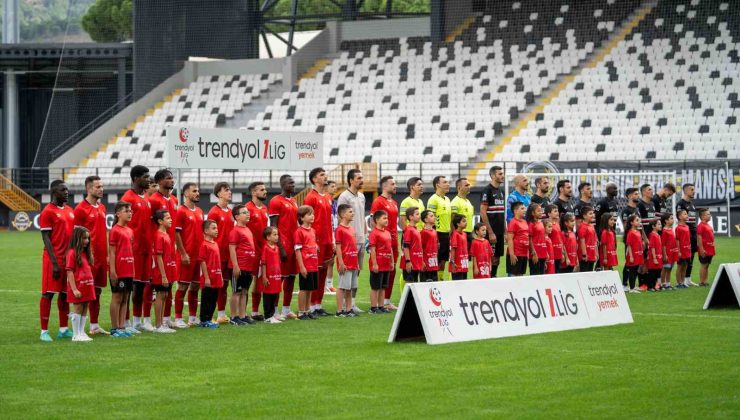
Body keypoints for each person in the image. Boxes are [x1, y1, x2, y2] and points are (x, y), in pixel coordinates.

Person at [39, 180, 75, 342]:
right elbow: (45, 238)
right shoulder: (48, 212)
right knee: (48, 294)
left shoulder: (69, 210)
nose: (67, 192)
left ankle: (63, 329)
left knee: (64, 294)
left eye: (67, 189)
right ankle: (44, 331)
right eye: (63, 190)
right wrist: (54, 263)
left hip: (67, 259)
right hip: (52, 259)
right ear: (54, 192)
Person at [73, 175, 108, 336]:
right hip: (88, 258)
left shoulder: (101, 207)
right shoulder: (80, 209)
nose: (101, 189)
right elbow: (76, 236)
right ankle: (78, 329)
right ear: (88, 189)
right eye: (98, 187)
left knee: (97, 292)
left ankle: (94, 325)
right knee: (85, 292)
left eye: (102, 186)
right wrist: (81, 258)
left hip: (102, 257)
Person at [121, 165, 152, 332]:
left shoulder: (146, 197)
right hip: (132, 250)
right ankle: (125, 322)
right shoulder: (128, 198)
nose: (148, 179)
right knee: (128, 287)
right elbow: (118, 224)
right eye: (145, 177)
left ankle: (136, 321)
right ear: (135, 179)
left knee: (140, 286)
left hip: (146, 249)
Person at [147, 169, 179, 328]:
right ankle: (147, 320)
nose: (172, 180)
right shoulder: (153, 200)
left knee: (169, 285)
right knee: (157, 287)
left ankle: (166, 319)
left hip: (170, 247)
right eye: (168, 178)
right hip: (159, 247)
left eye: (172, 178)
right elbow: (149, 224)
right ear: (159, 182)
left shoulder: (174, 199)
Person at [303, 168, 333, 317]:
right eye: (322, 175)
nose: (325, 176)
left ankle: (318, 305)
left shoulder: (328, 196)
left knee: (323, 273)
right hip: (316, 241)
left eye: (325, 174)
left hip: (328, 240)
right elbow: (306, 221)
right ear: (314, 179)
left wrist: (332, 239)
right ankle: (310, 306)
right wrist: (312, 240)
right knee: (314, 273)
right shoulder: (310, 197)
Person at [269, 175, 300, 319]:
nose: (293, 185)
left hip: (294, 245)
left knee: (291, 277)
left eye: (293, 182)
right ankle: (274, 310)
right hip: (283, 244)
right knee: (279, 278)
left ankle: (286, 309)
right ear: (283, 184)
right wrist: (279, 246)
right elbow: (273, 225)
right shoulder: (276, 201)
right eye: (290, 183)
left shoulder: (294, 201)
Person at [336, 168, 366, 314]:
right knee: (346, 273)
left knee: (357, 273)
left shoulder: (361, 196)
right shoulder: (344, 197)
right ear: (351, 180)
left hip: (361, 239)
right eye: (359, 178)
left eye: (362, 177)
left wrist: (365, 234)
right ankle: (342, 305)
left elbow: (362, 218)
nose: (362, 180)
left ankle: (352, 303)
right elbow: (339, 218)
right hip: (348, 241)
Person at [174, 182, 204, 328]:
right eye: (194, 191)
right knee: (182, 287)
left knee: (195, 287)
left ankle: (193, 317)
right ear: (186, 193)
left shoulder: (199, 211)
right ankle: (178, 318)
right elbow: (176, 234)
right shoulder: (181, 211)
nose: (197, 193)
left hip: (199, 256)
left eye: (198, 191)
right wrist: (183, 253)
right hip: (186, 256)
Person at [370, 176, 399, 309]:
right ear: (385, 186)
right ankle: (379, 304)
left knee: (391, 270)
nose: (395, 186)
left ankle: (386, 301)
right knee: (380, 271)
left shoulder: (393, 202)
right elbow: (372, 221)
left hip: (393, 240)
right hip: (383, 241)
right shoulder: (378, 202)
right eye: (392, 184)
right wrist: (376, 237)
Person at [207, 182, 234, 324]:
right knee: (214, 285)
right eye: (226, 190)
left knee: (224, 285)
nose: (230, 192)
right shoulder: (213, 212)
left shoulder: (230, 212)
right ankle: (208, 314)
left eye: (230, 190)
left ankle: (221, 314)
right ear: (219, 193)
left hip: (228, 254)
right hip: (216, 255)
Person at [108, 201, 134, 337]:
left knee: (125, 298)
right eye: (126, 211)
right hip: (118, 270)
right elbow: (111, 252)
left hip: (129, 269)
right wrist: (112, 271)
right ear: (118, 214)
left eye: (130, 211)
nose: (130, 213)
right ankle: (114, 328)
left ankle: (122, 326)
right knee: (117, 297)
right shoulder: (115, 231)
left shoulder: (130, 231)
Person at [65, 227, 96, 342]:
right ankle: (76, 334)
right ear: (77, 238)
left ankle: (82, 332)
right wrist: (74, 289)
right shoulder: (72, 253)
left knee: (84, 308)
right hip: (78, 287)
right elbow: (69, 271)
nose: (87, 241)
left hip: (87, 285)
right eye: (84, 238)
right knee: (78, 308)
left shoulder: (85, 253)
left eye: (88, 238)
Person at [228, 204, 257, 326]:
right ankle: (234, 317)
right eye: (244, 212)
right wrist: (235, 266)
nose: (247, 214)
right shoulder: (235, 231)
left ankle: (243, 315)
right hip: (239, 267)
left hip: (248, 267)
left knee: (245, 291)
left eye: (247, 212)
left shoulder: (247, 229)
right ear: (237, 217)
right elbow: (232, 248)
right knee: (237, 292)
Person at [246, 181, 269, 320]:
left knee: (259, 281)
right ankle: (242, 313)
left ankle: (255, 312)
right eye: (261, 189)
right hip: (250, 251)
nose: (265, 191)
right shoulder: (247, 208)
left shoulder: (265, 208)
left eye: (265, 189)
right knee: (248, 282)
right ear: (254, 192)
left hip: (262, 250)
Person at [151, 209, 177, 333]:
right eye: (167, 218)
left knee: (165, 295)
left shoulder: (166, 234)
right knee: (160, 296)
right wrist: (163, 275)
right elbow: (159, 257)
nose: (170, 219)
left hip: (168, 271)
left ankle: (161, 323)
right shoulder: (158, 236)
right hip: (161, 273)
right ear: (160, 221)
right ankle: (158, 325)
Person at [294, 205, 319, 320]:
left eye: (313, 214)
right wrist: (302, 267)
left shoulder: (313, 230)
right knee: (304, 289)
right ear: (302, 218)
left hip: (314, 265)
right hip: (306, 265)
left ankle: (307, 310)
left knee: (310, 289)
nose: (312, 216)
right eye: (309, 214)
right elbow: (298, 250)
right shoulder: (299, 232)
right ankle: (301, 312)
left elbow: (311, 243)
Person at [480, 166, 506, 277]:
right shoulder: (487, 190)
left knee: (497, 258)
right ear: (492, 176)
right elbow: (482, 212)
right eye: (499, 174)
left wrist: (504, 230)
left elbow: (502, 211)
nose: (502, 176)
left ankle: (493, 277)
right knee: (490, 258)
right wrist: (490, 232)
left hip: (499, 231)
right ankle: (487, 279)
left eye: (502, 173)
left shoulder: (501, 191)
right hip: (492, 231)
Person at [334, 204, 359, 317]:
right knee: (342, 287)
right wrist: (341, 262)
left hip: (353, 262)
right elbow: (338, 247)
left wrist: (357, 262)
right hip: (345, 263)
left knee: (349, 287)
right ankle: (339, 311)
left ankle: (348, 310)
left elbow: (353, 246)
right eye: (350, 212)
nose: (352, 213)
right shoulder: (339, 229)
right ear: (343, 214)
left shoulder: (352, 228)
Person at [198, 220, 222, 329]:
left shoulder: (215, 243)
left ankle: (209, 318)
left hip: (216, 277)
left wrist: (220, 274)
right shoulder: (204, 245)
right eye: (213, 228)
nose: (216, 230)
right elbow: (202, 261)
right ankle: (203, 320)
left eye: (216, 228)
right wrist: (206, 277)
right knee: (206, 299)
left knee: (213, 299)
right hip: (209, 278)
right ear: (206, 231)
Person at [427, 175, 452, 279]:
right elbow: (430, 219)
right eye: (445, 182)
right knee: (436, 260)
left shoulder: (447, 199)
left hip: (446, 234)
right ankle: (434, 281)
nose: (448, 184)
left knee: (443, 260)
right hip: (438, 233)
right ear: (438, 185)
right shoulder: (433, 199)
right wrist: (434, 236)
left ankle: (440, 280)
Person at [368, 210, 393, 313]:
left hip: (386, 264)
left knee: (383, 287)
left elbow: (390, 248)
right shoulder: (374, 233)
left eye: (387, 218)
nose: (386, 220)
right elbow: (372, 249)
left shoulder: (387, 233)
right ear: (377, 220)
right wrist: (374, 263)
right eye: (384, 218)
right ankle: (374, 308)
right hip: (378, 264)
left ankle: (381, 306)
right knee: (375, 287)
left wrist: (392, 261)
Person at [261, 226, 284, 324]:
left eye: (277, 234)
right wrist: (264, 276)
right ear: (268, 237)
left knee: (275, 295)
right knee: (268, 296)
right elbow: (263, 263)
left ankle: (273, 314)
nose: (277, 236)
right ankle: (268, 316)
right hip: (269, 277)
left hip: (276, 276)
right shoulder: (265, 248)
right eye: (274, 234)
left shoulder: (277, 248)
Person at [677, 184, 699, 286]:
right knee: (683, 260)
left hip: (693, 234)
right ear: (685, 191)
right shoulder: (681, 203)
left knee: (691, 257)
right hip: (685, 234)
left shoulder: (692, 204)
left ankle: (688, 278)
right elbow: (680, 219)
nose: (694, 191)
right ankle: (681, 281)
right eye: (692, 190)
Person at [401, 207, 423, 284]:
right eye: (417, 214)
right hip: (410, 263)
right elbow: (406, 247)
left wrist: (421, 261)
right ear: (410, 217)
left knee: (415, 285)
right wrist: (408, 261)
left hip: (416, 263)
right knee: (409, 285)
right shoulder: (408, 230)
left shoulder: (415, 229)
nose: (419, 216)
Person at [507, 201, 529, 277]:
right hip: (516, 254)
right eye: (522, 208)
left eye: (524, 208)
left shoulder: (525, 221)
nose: (525, 210)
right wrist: (512, 254)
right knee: (513, 276)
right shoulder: (513, 222)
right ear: (515, 211)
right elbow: (509, 239)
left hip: (524, 253)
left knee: (521, 276)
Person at [451, 177, 475, 247]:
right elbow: (452, 220)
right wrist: (455, 235)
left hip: (469, 233)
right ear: (459, 188)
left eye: (469, 185)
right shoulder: (455, 202)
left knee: (469, 257)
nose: (469, 187)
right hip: (461, 234)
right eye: (466, 185)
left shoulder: (468, 202)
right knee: (461, 257)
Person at [625, 214, 645, 293]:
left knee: (636, 270)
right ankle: (631, 288)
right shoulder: (630, 233)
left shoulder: (638, 231)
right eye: (637, 220)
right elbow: (629, 245)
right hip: (633, 255)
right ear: (631, 223)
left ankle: (633, 286)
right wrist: (631, 256)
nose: (639, 221)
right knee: (632, 270)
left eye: (639, 220)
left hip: (638, 254)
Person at [526, 203, 547, 275]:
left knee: (542, 276)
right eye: (538, 211)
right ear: (532, 213)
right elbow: (529, 239)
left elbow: (542, 238)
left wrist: (546, 252)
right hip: (536, 255)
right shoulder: (531, 224)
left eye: (541, 210)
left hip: (543, 254)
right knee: (535, 276)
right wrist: (533, 253)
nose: (541, 212)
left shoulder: (540, 223)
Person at [326, 180, 338, 293]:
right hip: (326, 235)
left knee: (331, 261)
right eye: (332, 186)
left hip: (333, 234)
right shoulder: (325, 201)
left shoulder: (334, 202)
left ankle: (329, 284)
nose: (335, 188)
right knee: (324, 261)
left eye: (335, 186)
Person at [696, 208, 715, 287]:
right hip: (704, 250)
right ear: (702, 216)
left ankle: (705, 281)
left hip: (710, 249)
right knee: (704, 265)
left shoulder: (707, 225)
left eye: (709, 214)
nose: (710, 215)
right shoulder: (700, 226)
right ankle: (702, 282)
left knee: (707, 265)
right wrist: (701, 249)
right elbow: (699, 238)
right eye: (708, 214)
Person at [660, 213, 678, 290]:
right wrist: (664, 254)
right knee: (665, 268)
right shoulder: (664, 231)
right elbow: (663, 244)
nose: (673, 220)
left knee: (670, 268)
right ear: (666, 221)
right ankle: (662, 283)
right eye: (671, 218)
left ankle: (668, 283)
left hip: (673, 252)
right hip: (667, 253)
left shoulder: (670, 229)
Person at [577, 207, 598, 272]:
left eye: (593, 213)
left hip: (592, 254)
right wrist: (584, 254)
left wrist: (596, 253)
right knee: (584, 273)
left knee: (590, 273)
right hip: (585, 256)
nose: (593, 215)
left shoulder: (591, 226)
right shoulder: (582, 226)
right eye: (590, 214)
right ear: (584, 216)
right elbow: (582, 242)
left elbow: (594, 241)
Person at [420, 210, 439, 282]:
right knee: (425, 287)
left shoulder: (434, 231)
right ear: (425, 219)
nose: (434, 217)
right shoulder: (423, 232)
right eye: (431, 216)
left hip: (434, 264)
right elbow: (420, 248)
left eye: (434, 216)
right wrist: (422, 261)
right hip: (426, 265)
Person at [449, 214, 469, 280]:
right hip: (457, 265)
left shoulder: (465, 234)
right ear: (458, 224)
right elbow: (453, 249)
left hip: (464, 264)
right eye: (463, 221)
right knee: (457, 285)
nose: (466, 223)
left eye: (466, 221)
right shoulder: (455, 234)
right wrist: (453, 262)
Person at [675, 209, 691, 289]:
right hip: (681, 250)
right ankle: (678, 283)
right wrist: (679, 251)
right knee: (680, 266)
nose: (687, 215)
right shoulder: (678, 228)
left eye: (687, 214)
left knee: (685, 266)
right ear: (680, 217)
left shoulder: (687, 226)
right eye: (685, 214)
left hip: (687, 250)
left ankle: (683, 281)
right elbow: (677, 240)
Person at [545, 205, 564, 273]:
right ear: (549, 214)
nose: (557, 213)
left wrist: (562, 252)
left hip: (558, 252)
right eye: (555, 211)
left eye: (557, 211)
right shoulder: (547, 225)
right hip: (551, 253)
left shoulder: (557, 224)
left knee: (557, 272)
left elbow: (560, 239)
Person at [646, 219, 663, 292]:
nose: (660, 225)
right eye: (658, 224)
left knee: (657, 272)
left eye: (660, 224)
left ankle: (655, 285)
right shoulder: (652, 235)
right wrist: (654, 258)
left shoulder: (658, 235)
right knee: (652, 272)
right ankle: (650, 287)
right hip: (654, 258)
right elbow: (652, 247)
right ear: (653, 226)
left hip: (659, 257)